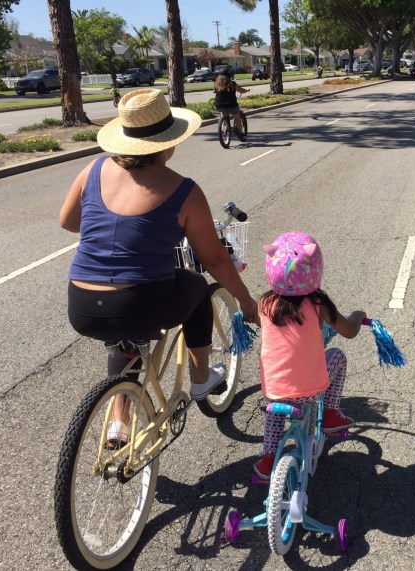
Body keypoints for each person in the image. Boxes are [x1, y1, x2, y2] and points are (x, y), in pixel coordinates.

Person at [60, 89, 258, 442]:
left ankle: (119, 421)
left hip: (83, 303)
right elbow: (213, 259)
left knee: (124, 340)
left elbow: (69, 221)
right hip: (139, 301)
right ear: (169, 143)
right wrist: (246, 302)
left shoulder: (93, 169)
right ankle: (201, 380)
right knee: (197, 287)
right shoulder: (183, 190)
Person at [252, 231, 366, 480]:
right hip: (311, 390)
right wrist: (357, 316)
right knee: (337, 356)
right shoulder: (318, 303)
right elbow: (348, 332)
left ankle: (268, 456)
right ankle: (332, 413)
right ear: (315, 268)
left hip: (273, 390)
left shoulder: (264, 304)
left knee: (275, 410)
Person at [213, 71, 249, 141]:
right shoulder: (232, 83)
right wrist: (246, 90)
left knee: (223, 113)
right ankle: (241, 134)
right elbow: (241, 90)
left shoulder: (216, 83)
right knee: (237, 117)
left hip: (219, 105)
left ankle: (224, 130)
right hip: (231, 105)